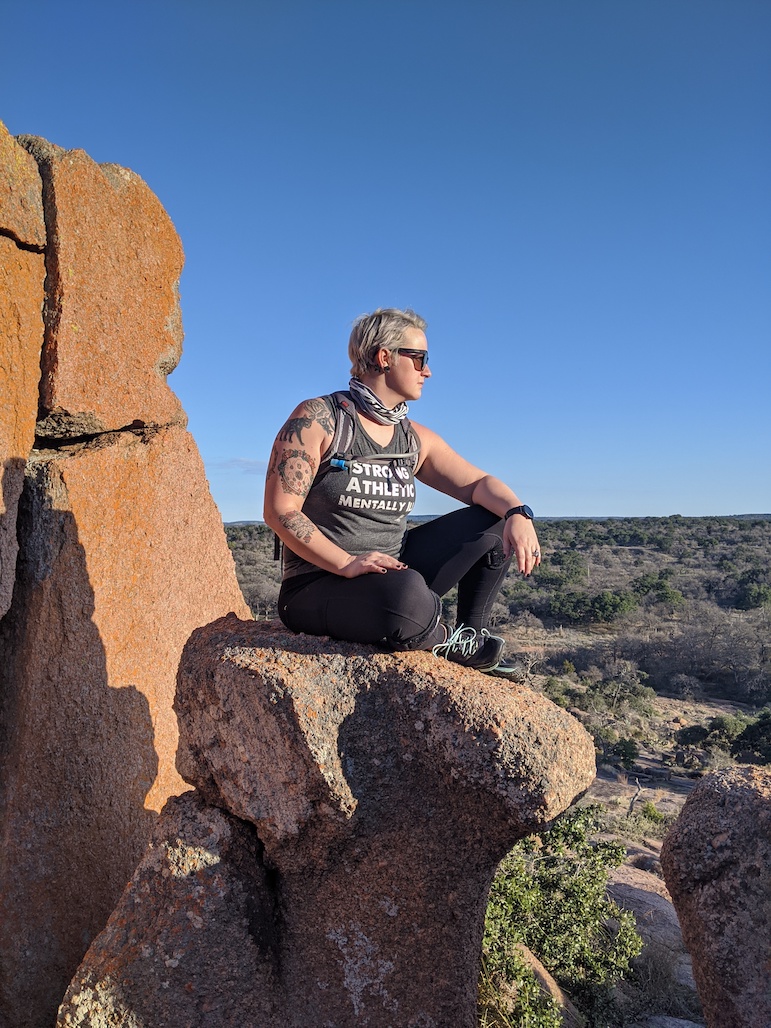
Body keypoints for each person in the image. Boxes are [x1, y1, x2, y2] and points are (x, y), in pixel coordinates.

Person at [263, 307, 541, 673]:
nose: (427, 371)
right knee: (407, 592)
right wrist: (346, 563)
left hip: (391, 571)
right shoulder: (320, 419)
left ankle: (471, 640)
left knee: (493, 522)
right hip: (319, 583)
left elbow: (477, 484)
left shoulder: (413, 438)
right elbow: (280, 511)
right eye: (420, 358)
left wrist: (518, 514)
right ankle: (439, 636)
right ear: (384, 357)